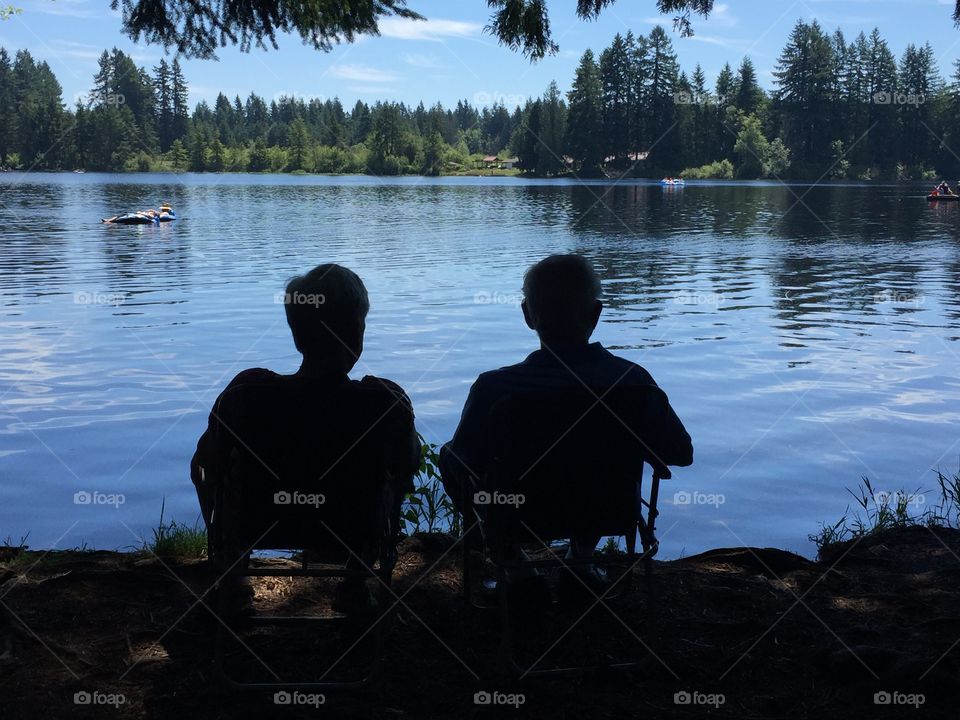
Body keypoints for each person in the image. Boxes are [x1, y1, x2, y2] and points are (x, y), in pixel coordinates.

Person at [440, 254, 692, 595]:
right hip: (607, 509)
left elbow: (464, 463)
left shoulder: (495, 389)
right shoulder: (635, 383)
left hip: (519, 511)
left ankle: (515, 567)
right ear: (595, 314)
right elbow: (680, 453)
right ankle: (582, 559)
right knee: (593, 468)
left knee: (450, 456)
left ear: (527, 314)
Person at [191, 263, 419, 617]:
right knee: (393, 478)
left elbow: (203, 465)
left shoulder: (246, 393)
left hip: (258, 523)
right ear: (358, 332)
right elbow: (409, 465)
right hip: (352, 526)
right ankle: (355, 582)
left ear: (297, 336)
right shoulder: (385, 403)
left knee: (210, 470)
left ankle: (233, 579)